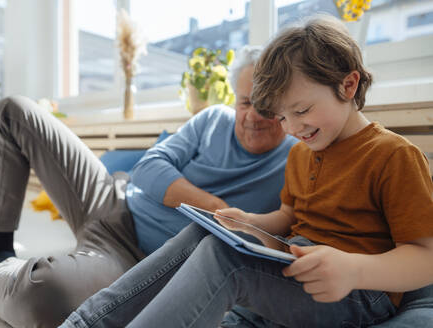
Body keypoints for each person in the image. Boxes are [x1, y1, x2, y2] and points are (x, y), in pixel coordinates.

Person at [60, 15, 433, 328]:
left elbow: (425, 259)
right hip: (296, 265)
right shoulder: (303, 154)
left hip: (357, 292)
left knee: (227, 262)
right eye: (283, 117)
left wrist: (355, 270)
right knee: (206, 231)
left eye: (301, 111)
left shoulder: (392, 155)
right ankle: (84, 323)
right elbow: (289, 216)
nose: (291, 128)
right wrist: (250, 221)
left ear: (348, 85)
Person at [0, 46, 297, 327]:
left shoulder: (295, 161)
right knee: (13, 111)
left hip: (130, 258)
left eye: (264, 106)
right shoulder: (212, 119)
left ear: (283, 107)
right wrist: (215, 208)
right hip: (112, 198)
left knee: (43, 295)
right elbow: (149, 169)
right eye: (244, 102)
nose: (251, 116)